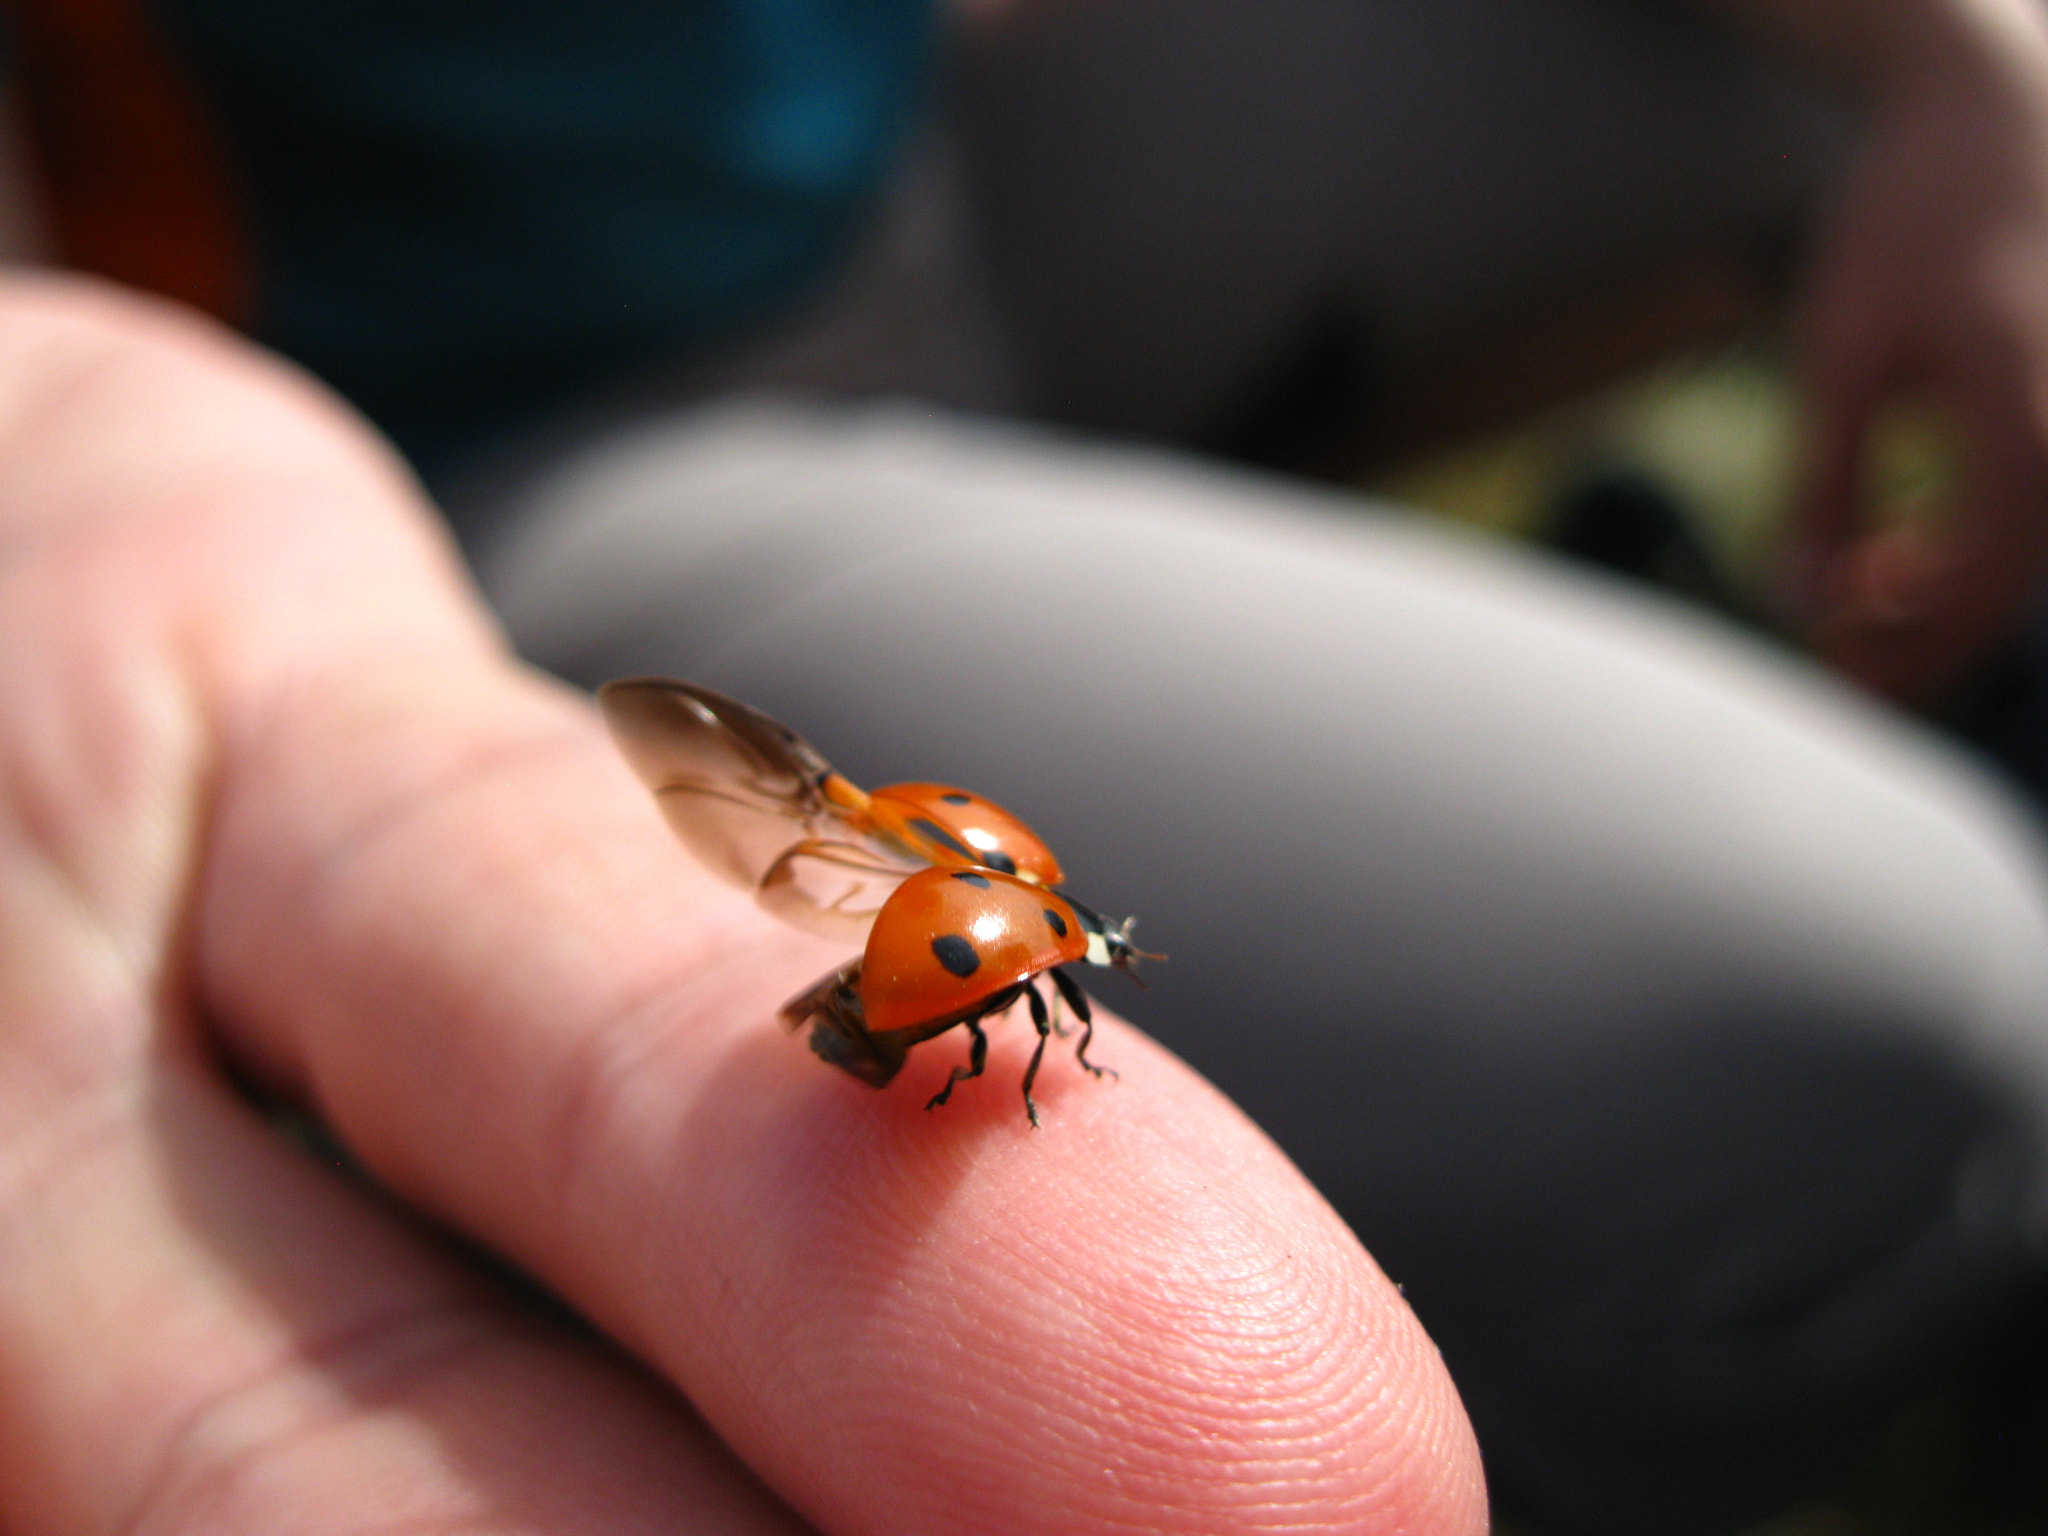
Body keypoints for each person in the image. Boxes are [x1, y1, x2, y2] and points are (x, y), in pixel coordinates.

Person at [4, 0, 2048, 1530]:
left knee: (1797, 69)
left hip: (930, 136)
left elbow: (985, 976)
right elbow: (991, 1015)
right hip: (490, 436)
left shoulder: (979, 921)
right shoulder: (977, 954)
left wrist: (1958, 55)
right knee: (1918, 1026)